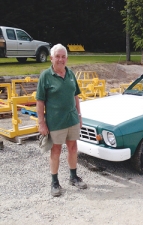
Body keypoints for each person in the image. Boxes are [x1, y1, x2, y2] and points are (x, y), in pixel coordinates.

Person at [36, 43, 87, 197]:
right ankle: (55, 182)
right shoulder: (45, 76)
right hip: (55, 121)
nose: (60, 59)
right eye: (57, 56)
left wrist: (79, 116)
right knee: (56, 151)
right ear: (51, 58)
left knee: (73, 148)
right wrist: (41, 123)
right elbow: (40, 102)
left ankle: (73, 177)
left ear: (67, 58)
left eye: (63, 56)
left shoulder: (70, 74)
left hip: (71, 119)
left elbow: (75, 96)